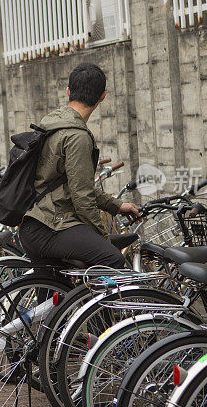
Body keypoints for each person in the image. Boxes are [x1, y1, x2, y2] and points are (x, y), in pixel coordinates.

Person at [18, 62, 141, 270]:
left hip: (33, 224)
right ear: (102, 96)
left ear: (68, 91)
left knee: (52, 298)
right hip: (53, 225)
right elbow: (82, 198)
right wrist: (103, 240)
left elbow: (75, 185)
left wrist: (117, 206)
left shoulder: (50, 125)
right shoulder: (77, 136)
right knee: (113, 260)